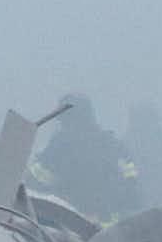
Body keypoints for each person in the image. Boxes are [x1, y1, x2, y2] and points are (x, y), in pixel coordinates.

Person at [34, 94, 131, 222]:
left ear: (68, 118)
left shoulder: (61, 144)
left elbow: (38, 182)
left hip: (68, 224)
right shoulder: (109, 143)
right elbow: (130, 185)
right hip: (109, 227)